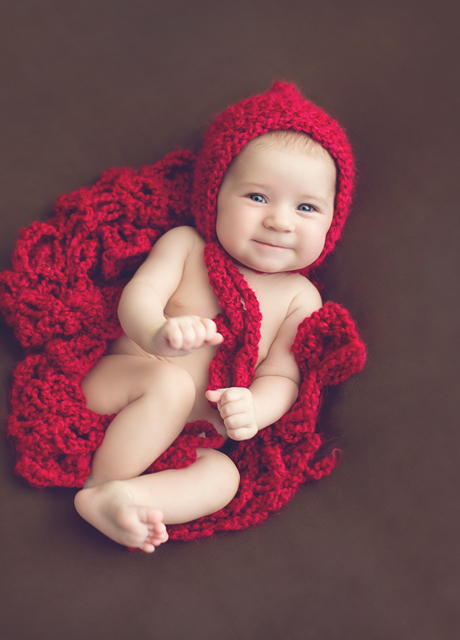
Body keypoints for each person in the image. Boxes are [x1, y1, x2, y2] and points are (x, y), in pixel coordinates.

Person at [73, 123, 343, 553]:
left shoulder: (300, 298)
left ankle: (126, 499)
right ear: (215, 193)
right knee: (170, 383)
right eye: (257, 197)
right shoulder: (186, 247)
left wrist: (256, 408)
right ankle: (100, 486)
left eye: (307, 208)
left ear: (333, 221)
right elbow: (137, 300)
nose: (279, 221)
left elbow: (283, 377)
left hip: (186, 440)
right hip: (121, 389)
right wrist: (157, 333)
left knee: (224, 477)